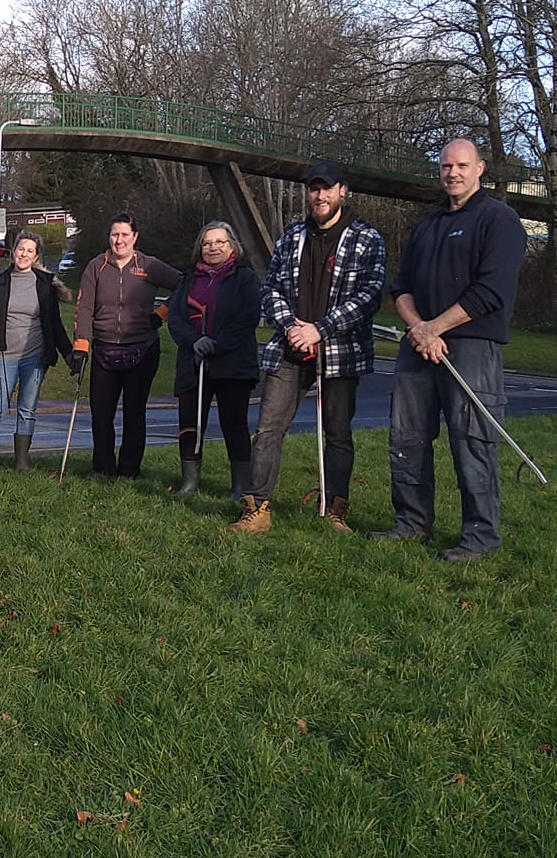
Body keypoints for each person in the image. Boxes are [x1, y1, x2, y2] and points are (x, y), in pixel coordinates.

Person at [373, 139, 527, 561]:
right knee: (407, 436)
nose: (452, 173)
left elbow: (491, 291)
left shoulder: (500, 220)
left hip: (472, 347)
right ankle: (411, 522)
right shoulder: (427, 225)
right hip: (418, 345)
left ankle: (480, 537)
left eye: (461, 166)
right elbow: (400, 288)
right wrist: (419, 329)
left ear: (479, 169)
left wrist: (435, 327)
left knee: (471, 439)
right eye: (445, 166)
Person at [235, 162, 386, 534]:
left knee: (338, 433)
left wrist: (320, 330)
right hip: (289, 347)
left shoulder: (367, 238)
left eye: (327, 188)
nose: (320, 196)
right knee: (268, 427)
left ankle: (336, 511)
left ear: (342, 191)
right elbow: (269, 288)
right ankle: (257, 508)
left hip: (340, 350)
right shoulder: (291, 237)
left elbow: (370, 296)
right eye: (314, 189)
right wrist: (290, 326)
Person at [70, 213, 182, 478]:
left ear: (135, 237)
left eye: (124, 235)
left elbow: (186, 285)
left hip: (142, 349)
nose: (118, 240)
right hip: (104, 350)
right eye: (114, 234)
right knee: (101, 414)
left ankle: (129, 470)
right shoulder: (95, 267)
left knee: (134, 414)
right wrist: (81, 345)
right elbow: (84, 307)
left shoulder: (150, 265)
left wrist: (161, 314)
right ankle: (103, 468)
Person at [164, 221, 260, 500]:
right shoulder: (188, 280)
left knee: (234, 424)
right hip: (193, 364)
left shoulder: (245, 278)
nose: (213, 247)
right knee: (190, 424)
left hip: (233, 364)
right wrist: (195, 341)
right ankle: (189, 483)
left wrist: (217, 345)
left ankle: (241, 488)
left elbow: (249, 316)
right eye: (207, 243)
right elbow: (176, 317)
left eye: (219, 242)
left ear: (232, 246)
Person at [0, 230, 74, 471]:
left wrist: (68, 354)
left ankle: (21, 462)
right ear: (13, 251)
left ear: (36, 256)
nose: (24, 254)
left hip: (35, 357)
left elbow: (54, 324)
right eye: (20, 249)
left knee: (27, 409)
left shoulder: (44, 285)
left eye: (30, 251)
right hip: (3, 356)